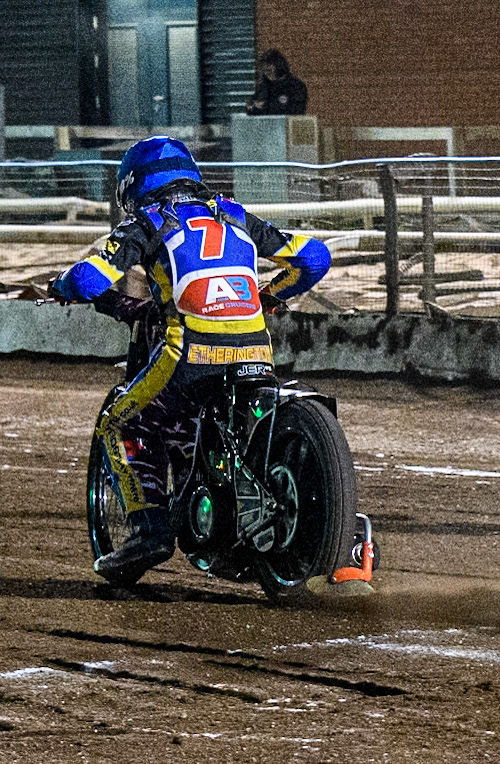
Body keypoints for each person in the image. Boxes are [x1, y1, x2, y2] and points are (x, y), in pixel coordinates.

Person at [48, 136, 331, 580]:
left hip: (188, 355)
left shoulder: (147, 223)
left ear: (134, 186)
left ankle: (149, 531)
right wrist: (266, 296)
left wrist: (59, 283)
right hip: (257, 352)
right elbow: (314, 257)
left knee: (121, 421)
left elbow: (87, 281)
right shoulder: (233, 215)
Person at [244, 49, 307, 116]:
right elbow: (254, 110)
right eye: (265, 70)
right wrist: (252, 107)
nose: (267, 73)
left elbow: (297, 111)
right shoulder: (263, 87)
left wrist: (267, 106)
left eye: (269, 69)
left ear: (279, 65)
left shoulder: (296, 86)